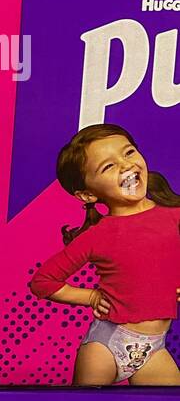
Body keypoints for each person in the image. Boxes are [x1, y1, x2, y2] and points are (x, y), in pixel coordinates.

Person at [29, 124, 180, 385]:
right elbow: (42, 282)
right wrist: (90, 296)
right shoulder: (97, 236)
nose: (125, 165)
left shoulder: (174, 216)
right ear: (87, 194)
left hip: (154, 349)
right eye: (108, 167)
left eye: (129, 152)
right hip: (107, 345)